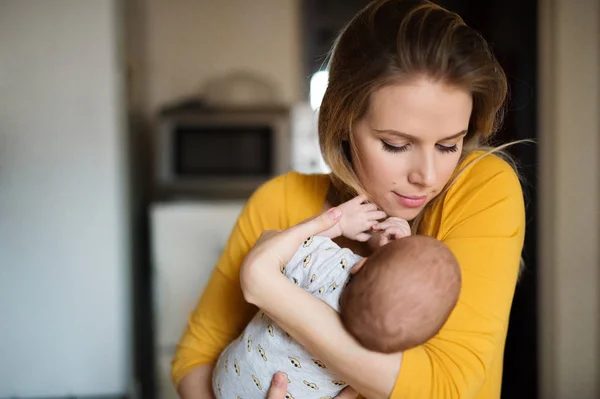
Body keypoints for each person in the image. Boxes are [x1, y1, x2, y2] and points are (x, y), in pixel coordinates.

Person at [172, 0, 526, 398]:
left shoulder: (483, 189)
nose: (426, 178)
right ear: (342, 122)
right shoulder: (280, 201)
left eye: (448, 145)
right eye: (395, 144)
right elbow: (195, 358)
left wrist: (268, 287)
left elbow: (445, 387)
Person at [210, 195, 461, 399]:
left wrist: (337, 224)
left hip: (227, 376)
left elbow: (275, 245)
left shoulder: (331, 269)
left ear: (360, 265)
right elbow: (395, 299)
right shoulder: (384, 355)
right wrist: (394, 259)